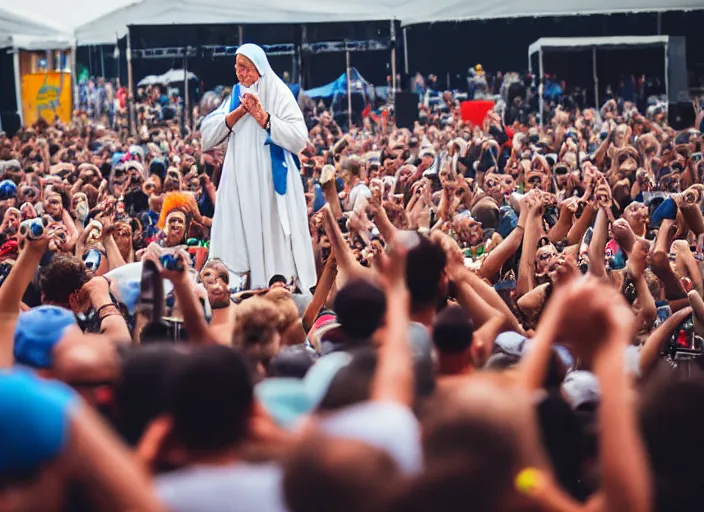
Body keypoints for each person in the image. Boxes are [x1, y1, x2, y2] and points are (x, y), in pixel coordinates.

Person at [201, 43, 316, 292]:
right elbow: (206, 136)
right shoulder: (235, 96)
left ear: (259, 69)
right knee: (243, 231)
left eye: (246, 68)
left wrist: (263, 118)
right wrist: (240, 111)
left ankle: (277, 286)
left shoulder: (279, 93)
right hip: (240, 179)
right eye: (237, 68)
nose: (240, 74)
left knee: (273, 232)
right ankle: (245, 286)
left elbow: (299, 138)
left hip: (270, 181)